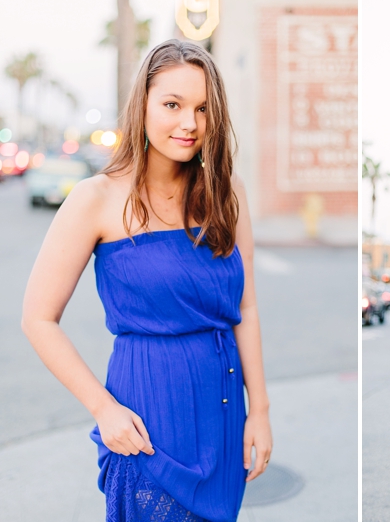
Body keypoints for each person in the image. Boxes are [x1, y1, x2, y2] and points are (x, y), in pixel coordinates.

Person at [21, 40, 272, 522]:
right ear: (143, 105)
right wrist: (102, 409)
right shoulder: (96, 199)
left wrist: (258, 409)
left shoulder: (227, 192)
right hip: (145, 423)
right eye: (172, 105)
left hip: (223, 414)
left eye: (202, 109)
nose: (189, 124)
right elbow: (38, 319)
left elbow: (248, 307)